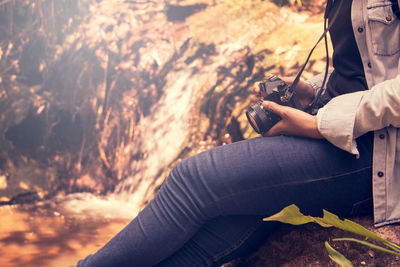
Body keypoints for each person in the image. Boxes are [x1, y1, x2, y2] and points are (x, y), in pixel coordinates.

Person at [75, 0, 400, 266]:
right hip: (343, 128)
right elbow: (368, 68)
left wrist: (319, 124)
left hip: (377, 152)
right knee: (225, 224)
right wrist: (311, 90)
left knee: (194, 178)